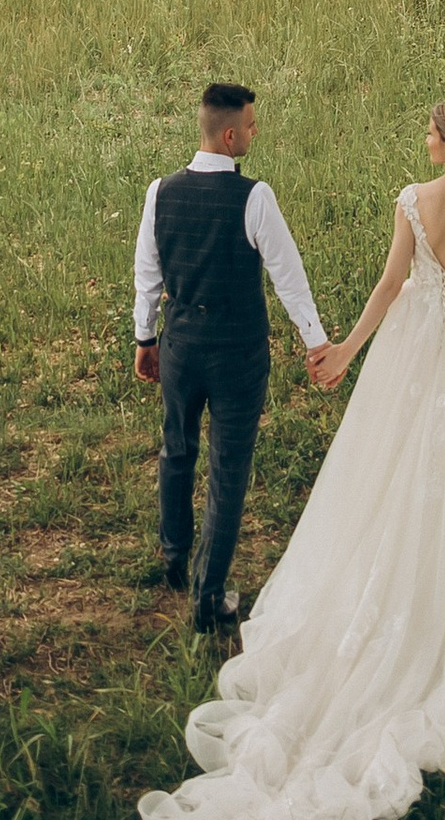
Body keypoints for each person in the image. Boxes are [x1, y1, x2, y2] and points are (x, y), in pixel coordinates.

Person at [137, 96, 445, 820]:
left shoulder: (414, 201)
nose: (423, 139)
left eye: (429, 130)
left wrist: (345, 352)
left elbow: (390, 288)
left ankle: (373, 595)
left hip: (413, 346)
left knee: (387, 469)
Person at [132, 79, 330, 637]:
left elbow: (147, 274)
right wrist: (315, 342)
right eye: (250, 124)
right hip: (238, 354)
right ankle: (208, 595)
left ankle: (174, 556)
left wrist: (145, 339)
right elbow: (289, 279)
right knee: (228, 470)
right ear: (228, 134)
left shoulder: (160, 192)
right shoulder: (254, 197)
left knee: (177, 448)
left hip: (179, 345)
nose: (254, 130)